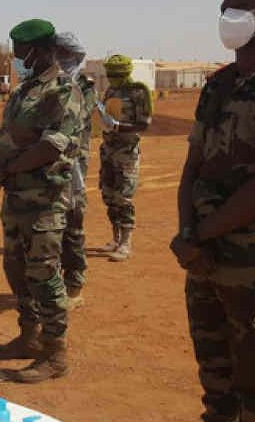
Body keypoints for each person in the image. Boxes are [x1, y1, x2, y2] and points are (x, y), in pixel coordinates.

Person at [170, 0, 255, 420]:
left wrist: (198, 235)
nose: (229, 16)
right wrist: (188, 235)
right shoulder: (218, 85)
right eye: (226, 7)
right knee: (215, 381)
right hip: (204, 257)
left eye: (241, 7)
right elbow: (192, 168)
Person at [0, 19, 83, 382]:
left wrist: (11, 169)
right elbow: (5, 133)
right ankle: (30, 336)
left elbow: (54, 144)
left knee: (44, 273)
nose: (17, 58)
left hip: (46, 200)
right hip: (16, 198)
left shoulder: (62, 90)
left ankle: (55, 354)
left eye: (21, 52)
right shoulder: (25, 91)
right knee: (16, 269)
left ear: (39, 51)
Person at [55, 32, 98, 309]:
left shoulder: (84, 85)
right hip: (51, 167)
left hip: (75, 168)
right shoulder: (53, 83)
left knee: (73, 228)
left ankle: (74, 285)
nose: (59, 59)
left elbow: (75, 119)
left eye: (63, 54)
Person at [98, 54, 153, 262]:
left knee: (124, 197)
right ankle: (116, 237)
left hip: (126, 153)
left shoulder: (138, 92)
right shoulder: (111, 91)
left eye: (115, 74)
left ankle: (126, 243)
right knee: (109, 195)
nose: (111, 77)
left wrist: (118, 127)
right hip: (108, 150)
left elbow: (144, 125)